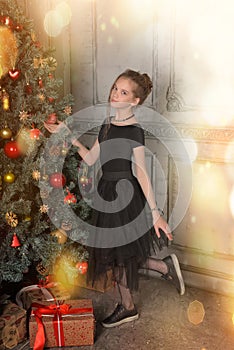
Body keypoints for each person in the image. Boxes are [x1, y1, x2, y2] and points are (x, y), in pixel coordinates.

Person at [44, 69, 185, 328]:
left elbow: (140, 171)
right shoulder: (107, 125)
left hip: (126, 195)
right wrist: (67, 134)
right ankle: (164, 267)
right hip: (105, 192)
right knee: (119, 252)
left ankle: (128, 307)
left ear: (135, 101)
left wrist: (155, 213)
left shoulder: (134, 131)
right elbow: (91, 159)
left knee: (115, 254)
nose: (115, 94)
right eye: (115, 88)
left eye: (123, 92)